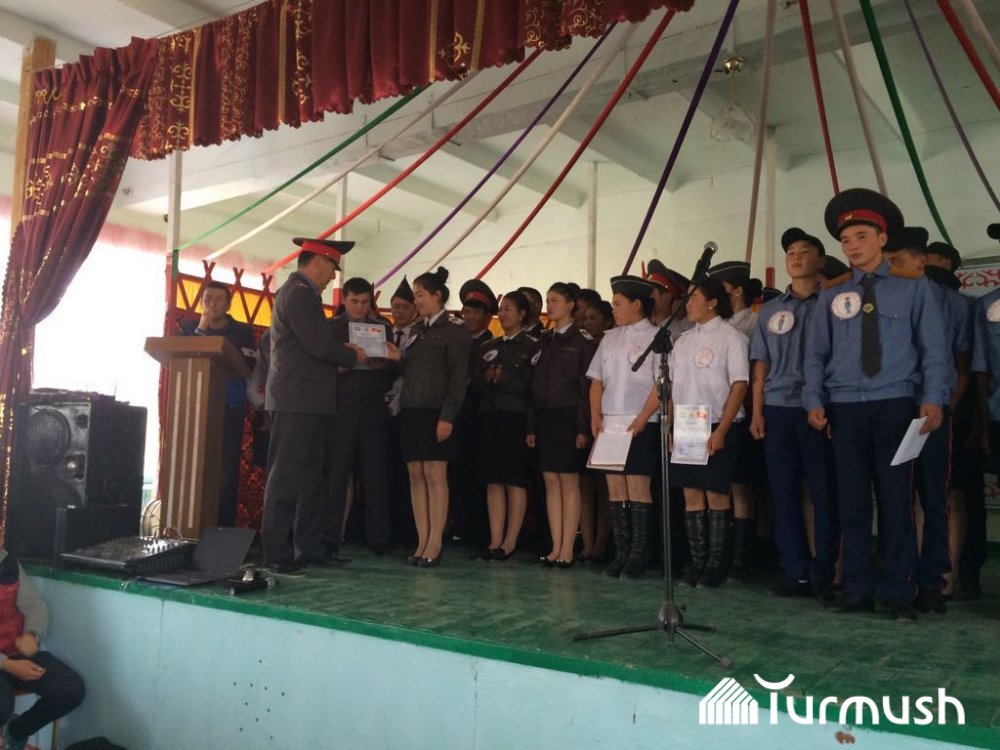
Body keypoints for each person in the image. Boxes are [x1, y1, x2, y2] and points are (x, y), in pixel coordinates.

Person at [804, 188, 947, 620]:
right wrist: (813, 398)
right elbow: (816, 353)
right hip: (845, 406)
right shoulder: (831, 294)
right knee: (851, 501)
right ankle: (857, 589)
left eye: (862, 236)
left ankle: (899, 592)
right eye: (846, 240)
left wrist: (933, 398)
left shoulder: (913, 288)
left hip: (895, 403)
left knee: (895, 500)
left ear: (882, 239)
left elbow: (933, 350)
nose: (852, 246)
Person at [261, 237, 370, 574]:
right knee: (285, 477)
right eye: (332, 268)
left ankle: (308, 548)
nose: (333, 276)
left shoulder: (302, 295)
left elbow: (314, 347)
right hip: (296, 400)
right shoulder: (298, 294)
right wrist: (352, 355)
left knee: (310, 479)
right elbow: (319, 345)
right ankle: (276, 551)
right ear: (318, 262)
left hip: (309, 400)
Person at [884, 228, 971, 614]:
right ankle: (901, 578)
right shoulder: (881, 296)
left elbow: (961, 366)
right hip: (893, 408)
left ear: (921, 261)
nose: (892, 269)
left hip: (934, 412)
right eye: (888, 262)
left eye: (898, 261)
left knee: (935, 498)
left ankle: (933, 580)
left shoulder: (954, 304)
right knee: (897, 498)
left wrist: (940, 406)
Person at [749, 227, 838, 601]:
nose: (797, 257)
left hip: (820, 409)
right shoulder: (771, 310)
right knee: (782, 492)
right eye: (791, 253)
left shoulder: (834, 302)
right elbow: (760, 366)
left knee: (823, 493)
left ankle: (827, 572)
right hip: (777, 409)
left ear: (821, 260)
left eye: (805, 251)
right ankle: (794, 572)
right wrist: (757, 412)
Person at [669, 277, 749, 587]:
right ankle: (697, 560)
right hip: (688, 422)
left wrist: (723, 430)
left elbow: (739, 385)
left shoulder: (732, 337)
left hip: (716, 422)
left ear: (713, 302)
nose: (687, 304)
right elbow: (673, 387)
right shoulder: (683, 340)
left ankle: (717, 563)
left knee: (716, 494)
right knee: (691, 494)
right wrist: (672, 427)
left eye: (694, 298)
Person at [586, 276, 662, 579]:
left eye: (618, 304)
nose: (613, 309)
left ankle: (638, 556)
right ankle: (621, 552)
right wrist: (595, 415)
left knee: (638, 488)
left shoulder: (657, 337)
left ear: (637, 304)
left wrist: (643, 418)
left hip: (641, 421)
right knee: (616, 489)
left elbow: (660, 384)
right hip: (611, 421)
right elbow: (596, 380)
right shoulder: (610, 338)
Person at [399, 267, 472, 567]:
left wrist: (448, 417)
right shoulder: (416, 331)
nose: (415, 301)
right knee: (416, 475)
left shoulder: (455, 331)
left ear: (437, 295)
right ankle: (421, 540)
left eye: (420, 295)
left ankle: (435, 542)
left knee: (434, 474)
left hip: (437, 412)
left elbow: (458, 378)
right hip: (412, 411)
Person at [327, 277, 397, 556]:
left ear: (371, 302)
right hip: (341, 406)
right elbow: (320, 367)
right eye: (354, 301)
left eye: (365, 302)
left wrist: (389, 362)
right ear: (344, 300)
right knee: (337, 474)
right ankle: (331, 537)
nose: (359, 307)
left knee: (375, 473)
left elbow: (394, 372)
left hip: (373, 406)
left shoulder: (383, 328)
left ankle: (378, 539)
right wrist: (341, 366)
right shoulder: (331, 328)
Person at [528, 283, 597, 567]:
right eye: (548, 300)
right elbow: (533, 386)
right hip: (545, 417)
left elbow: (585, 388)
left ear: (570, 304)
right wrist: (531, 426)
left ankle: (568, 547)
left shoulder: (582, 341)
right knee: (550, 482)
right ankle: (555, 546)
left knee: (568, 482)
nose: (550, 305)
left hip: (569, 417)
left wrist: (583, 427)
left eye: (555, 300)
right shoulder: (545, 340)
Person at [180, 281, 256, 527]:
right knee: (192, 467)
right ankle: (189, 527)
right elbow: (182, 357)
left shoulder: (241, 331)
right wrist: (202, 327)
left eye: (218, 299)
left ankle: (223, 529)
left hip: (228, 408)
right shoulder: (189, 328)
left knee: (225, 471)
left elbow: (248, 367)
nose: (212, 304)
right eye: (208, 299)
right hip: (194, 407)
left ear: (228, 304)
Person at [475, 291, 540, 560]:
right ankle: (495, 539)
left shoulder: (532, 345)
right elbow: (476, 383)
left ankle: (510, 540)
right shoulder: (489, 346)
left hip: (515, 417)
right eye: (501, 309)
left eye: (508, 309)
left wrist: (504, 381)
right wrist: (487, 378)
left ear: (522, 314)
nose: (502, 314)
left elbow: (531, 387)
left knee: (514, 481)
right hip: (490, 416)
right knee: (493, 480)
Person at [0, 550, 85, 750]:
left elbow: (33, 603)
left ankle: (16, 732)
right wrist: (7, 664)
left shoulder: (7, 563)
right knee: (2, 704)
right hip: (6, 661)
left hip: (14, 652)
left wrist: (32, 633)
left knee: (70, 689)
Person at [452, 279, 498, 554]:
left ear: (487, 317)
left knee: (478, 476)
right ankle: (459, 526)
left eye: (474, 313)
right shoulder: (458, 340)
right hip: (456, 417)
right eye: (465, 312)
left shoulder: (492, 345)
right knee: (456, 473)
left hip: (479, 418)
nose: (468, 317)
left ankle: (478, 531)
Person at [386, 276, 419, 549]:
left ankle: (409, 531)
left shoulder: (419, 336)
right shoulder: (381, 334)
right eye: (396, 306)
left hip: (408, 410)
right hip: (380, 409)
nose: (400, 312)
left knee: (407, 473)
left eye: (406, 307)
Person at [645, 259, 692, 339]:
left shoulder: (677, 334)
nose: (645, 297)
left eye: (650, 292)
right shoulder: (643, 328)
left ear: (667, 297)